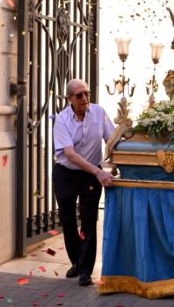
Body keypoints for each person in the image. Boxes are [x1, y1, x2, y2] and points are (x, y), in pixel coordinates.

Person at [53, 78, 115, 287]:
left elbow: (112, 140)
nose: (85, 99)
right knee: (68, 220)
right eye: (79, 95)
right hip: (66, 174)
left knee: (89, 220)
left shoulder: (99, 113)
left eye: (87, 93)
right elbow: (69, 154)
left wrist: (118, 161)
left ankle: (86, 271)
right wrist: (99, 172)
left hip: (90, 176)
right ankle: (77, 262)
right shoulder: (62, 120)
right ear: (70, 98)